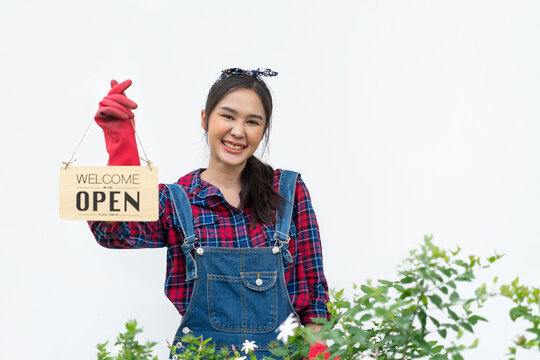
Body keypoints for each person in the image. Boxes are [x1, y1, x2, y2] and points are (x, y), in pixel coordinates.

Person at [88, 68, 335, 360]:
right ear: (205, 118)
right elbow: (113, 233)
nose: (238, 131)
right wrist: (122, 146)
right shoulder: (176, 200)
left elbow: (314, 289)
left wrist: (321, 351)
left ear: (263, 130)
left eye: (252, 122)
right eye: (228, 116)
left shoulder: (288, 192)